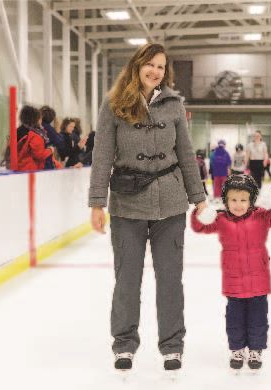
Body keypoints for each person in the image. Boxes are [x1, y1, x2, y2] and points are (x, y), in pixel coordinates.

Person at [88, 43, 206, 372]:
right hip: (127, 204)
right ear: (137, 65)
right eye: (150, 65)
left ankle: (172, 345)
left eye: (161, 67)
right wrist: (97, 202)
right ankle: (124, 343)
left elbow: (186, 153)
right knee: (127, 279)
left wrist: (198, 197)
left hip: (170, 203)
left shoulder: (173, 104)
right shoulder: (114, 104)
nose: (155, 71)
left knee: (171, 279)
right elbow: (101, 157)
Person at [190, 174, 271, 370]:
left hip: (258, 281)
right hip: (233, 282)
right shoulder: (221, 220)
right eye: (233, 200)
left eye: (243, 200)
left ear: (251, 200)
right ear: (225, 200)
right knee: (234, 319)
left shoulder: (261, 216)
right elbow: (199, 227)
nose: (238, 205)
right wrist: (201, 214)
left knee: (258, 319)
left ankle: (255, 350)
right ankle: (236, 350)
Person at [16, 105, 54, 171]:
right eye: (40, 118)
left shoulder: (17, 131)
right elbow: (39, 155)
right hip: (30, 170)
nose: (41, 120)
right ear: (35, 119)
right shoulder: (35, 135)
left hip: (17, 167)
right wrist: (50, 150)